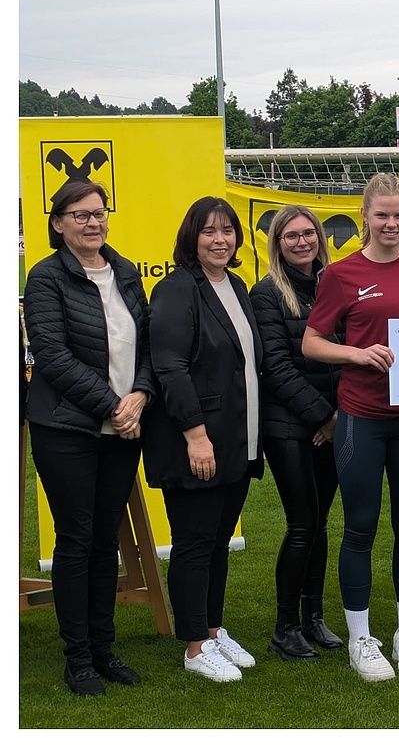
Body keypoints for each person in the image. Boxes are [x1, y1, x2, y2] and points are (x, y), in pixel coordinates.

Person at [302, 173, 399, 682]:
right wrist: (357, 354)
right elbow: (312, 342)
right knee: (359, 528)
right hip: (361, 418)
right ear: (364, 216)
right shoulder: (341, 274)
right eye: (382, 215)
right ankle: (361, 639)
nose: (391, 223)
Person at [24, 179, 153, 696]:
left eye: (99, 212)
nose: (93, 222)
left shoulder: (124, 271)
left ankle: (104, 649)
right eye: (80, 215)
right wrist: (113, 406)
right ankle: (77, 659)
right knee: (76, 542)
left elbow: (148, 342)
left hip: (124, 427)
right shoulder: (45, 278)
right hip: (68, 429)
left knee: (105, 542)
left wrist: (140, 394)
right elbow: (52, 357)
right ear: (58, 223)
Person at [144, 196, 263, 683]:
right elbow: (169, 367)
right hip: (196, 440)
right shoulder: (176, 290)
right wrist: (196, 435)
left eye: (228, 230)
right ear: (191, 237)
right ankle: (194, 646)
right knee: (194, 543)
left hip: (237, 440)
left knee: (217, 543)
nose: (220, 239)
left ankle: (213, 631)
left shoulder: (235, 284)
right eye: (209, 230)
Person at [250, 205, 343, 661]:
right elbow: (276, 368)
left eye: (309, 233)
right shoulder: (266, 294)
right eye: (291, 236)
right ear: (278, 243)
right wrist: (321, 417)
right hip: (289, 427)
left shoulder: (335, 284)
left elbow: (348, 351)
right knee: (302, 524)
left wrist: (337, 414)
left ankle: (314, 617)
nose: (302, 242)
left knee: (321, 524)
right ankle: (284, 627)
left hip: (332, 424)